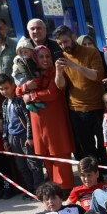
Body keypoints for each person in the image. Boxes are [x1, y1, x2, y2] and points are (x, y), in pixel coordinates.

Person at [17, 46, 76, 186]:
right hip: (38, 125)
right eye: (41, 56)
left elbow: (52, 93)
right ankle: (55, 189)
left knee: (60, 157)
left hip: (55, 123)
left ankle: (64, 190)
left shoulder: (56, 71)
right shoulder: (32, 73)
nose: (45, 59)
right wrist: (25, 88)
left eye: (47, 56)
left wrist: (31, 95)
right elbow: (18, 91)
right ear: (35, 59)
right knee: (47, 159)